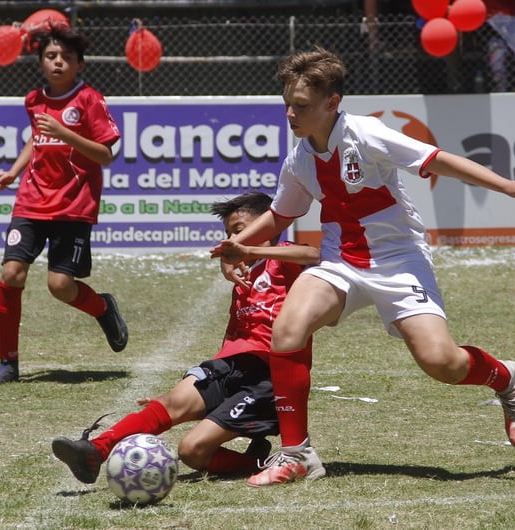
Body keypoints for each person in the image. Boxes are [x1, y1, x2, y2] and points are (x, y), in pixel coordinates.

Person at [211, 48, 515, 487]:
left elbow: (435, 159)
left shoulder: (366, 133)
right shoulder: (298, 159)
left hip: (399, 261)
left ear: (331, 103)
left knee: (441, 363)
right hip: (339, 261)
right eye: (287, 105)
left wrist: (503, 185)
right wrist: (237, 246)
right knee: (288, 328)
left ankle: (506, 378)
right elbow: (280, 215)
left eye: (301, 106)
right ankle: (298, 454)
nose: (291, 114)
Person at [52, 192, 322, 482]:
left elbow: (314, 255)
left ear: (267, 224)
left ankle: (259, 462)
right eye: (229, 232)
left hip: (269, 377)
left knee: (192, 451)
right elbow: (237, 334)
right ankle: (95, 451)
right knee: (170, 402)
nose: (232, 238)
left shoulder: (282, 259)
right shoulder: (240, 274)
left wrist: (253, 251)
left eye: (239, 230)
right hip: (231, 367)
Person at [0, 25, 127, 385]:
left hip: (72, 204)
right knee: (11, 274)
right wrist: (13, 173)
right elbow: (37, 137)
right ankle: (8, 363)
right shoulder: (34, 99)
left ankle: (103, 308)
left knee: (60, 286)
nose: (58, 62)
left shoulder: (89, 100)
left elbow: (106, 155)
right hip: (31, 201)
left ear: (80, 64)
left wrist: (66, 133)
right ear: (41, 63)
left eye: (66, 57)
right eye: (51, 56)